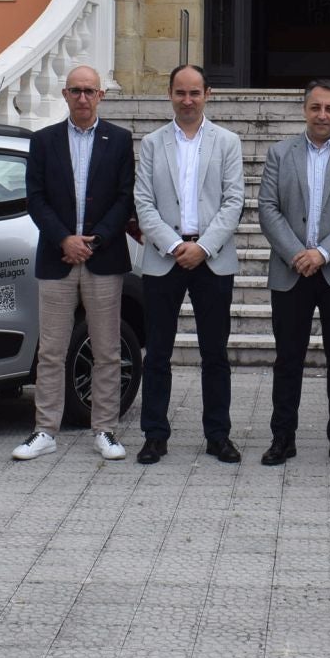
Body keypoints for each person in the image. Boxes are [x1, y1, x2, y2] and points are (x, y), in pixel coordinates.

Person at [14, 64, 136, 461]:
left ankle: (105, 430)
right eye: (75, 91)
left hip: (103, 259)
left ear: (101, 95)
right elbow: (35, 198)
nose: (82, 97)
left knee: (107, 350)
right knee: (51, 350)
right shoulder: (45, 141)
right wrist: (64, 239)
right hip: (57, 256)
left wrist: (94, 240)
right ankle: (45, 430)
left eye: (89, 91)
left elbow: (124, 198)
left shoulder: (118, 140)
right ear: (64, 95)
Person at [254, 79, 330, 468]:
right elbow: (268, 208)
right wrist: (297, 254)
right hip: (291, 272)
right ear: (304, 109)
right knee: (288, 359)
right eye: (315, 107)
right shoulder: (279, 152)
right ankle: (282, 439)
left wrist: (321, 254)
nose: (322, 115)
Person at [133, 64, 246, 464]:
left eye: (194, 93)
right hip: (164, 259)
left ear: (207, 94)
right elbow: (143, 202)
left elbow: (235, 202)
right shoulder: (152, 143)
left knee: (214, 353)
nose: (187, 100)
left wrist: (204, 247)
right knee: (158, 353)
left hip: (212, 260)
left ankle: (218, 435)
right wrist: (172, 244)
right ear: (170, 95)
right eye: (180, 92)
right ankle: (155, 435)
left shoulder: (227, 142)